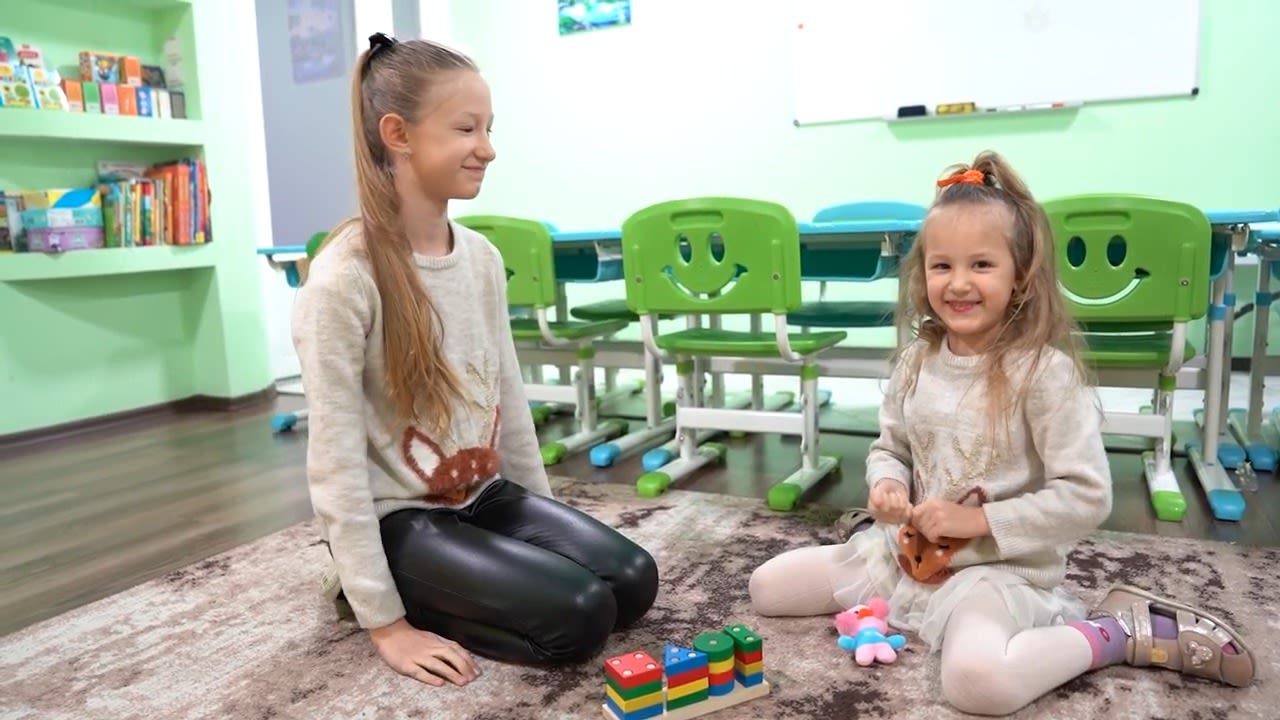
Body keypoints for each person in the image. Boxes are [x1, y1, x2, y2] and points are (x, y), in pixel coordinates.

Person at [748, 151, 1254, 715]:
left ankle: (1116, 633)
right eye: (942, 266)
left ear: (1019, 278)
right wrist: (887, 486)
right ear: (922, 275)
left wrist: (978, 522)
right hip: (904, 556)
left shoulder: (1044, 374)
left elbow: (1087, 496)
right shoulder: (917, 360)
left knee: (977, 684)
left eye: (982, 265)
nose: (958, 283)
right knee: (767, 588)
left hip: (997, 572)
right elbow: (890, 448)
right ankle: (894, 583)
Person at [291, 32, 658, 689]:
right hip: (403, 522)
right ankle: (380, 594)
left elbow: (507, 399)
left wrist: (546, 531)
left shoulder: (482, 259)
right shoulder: (343, 277)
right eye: (466, 128)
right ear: (398, 134)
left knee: (630, 583)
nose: (487, 147)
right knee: (578, 618)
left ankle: (495, 578)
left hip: (484, 496)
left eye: (488, 128)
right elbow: (336, 461)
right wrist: (387, 624)